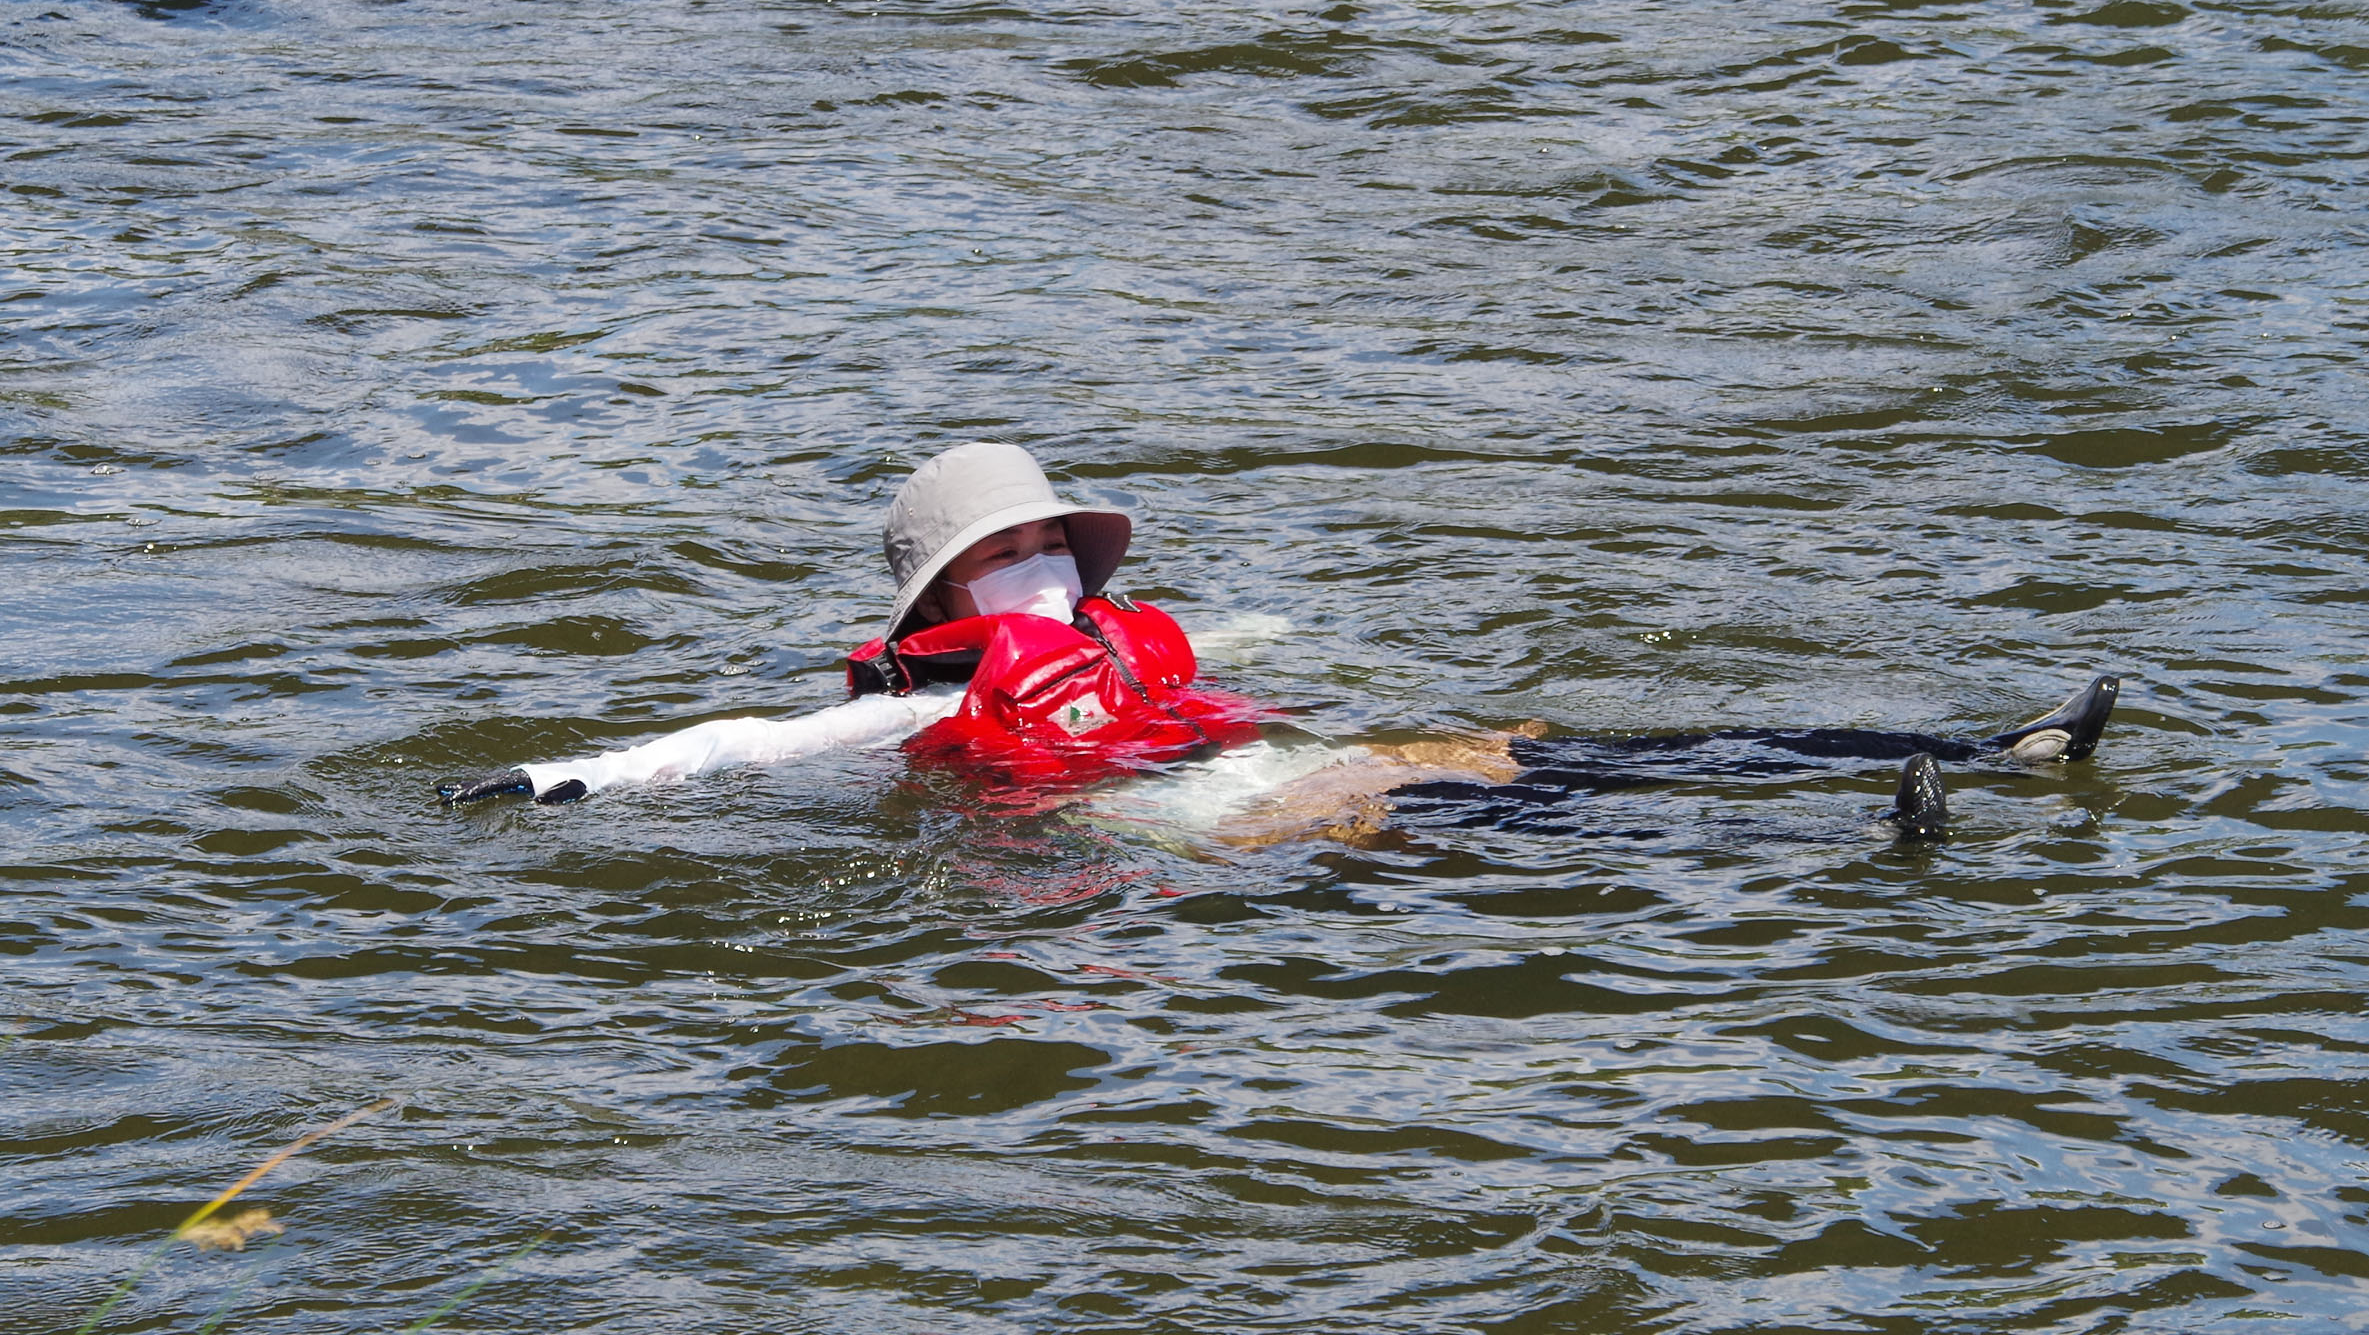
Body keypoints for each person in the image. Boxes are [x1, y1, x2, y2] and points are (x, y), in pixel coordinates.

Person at [440, 441, 2118, 832]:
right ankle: (1856, 840)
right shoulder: (924, 707)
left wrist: (1275, 626)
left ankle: (1988, 747)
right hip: (1228, 820)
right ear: (941, 601)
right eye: (997, 557)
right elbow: (753, 746)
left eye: (1044, 543)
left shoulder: (1119, 636)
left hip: (1276, 751)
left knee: (1559, 745)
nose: (1029, 573)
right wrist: (560, 778)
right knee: (1550, 819)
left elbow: (1215, 640)